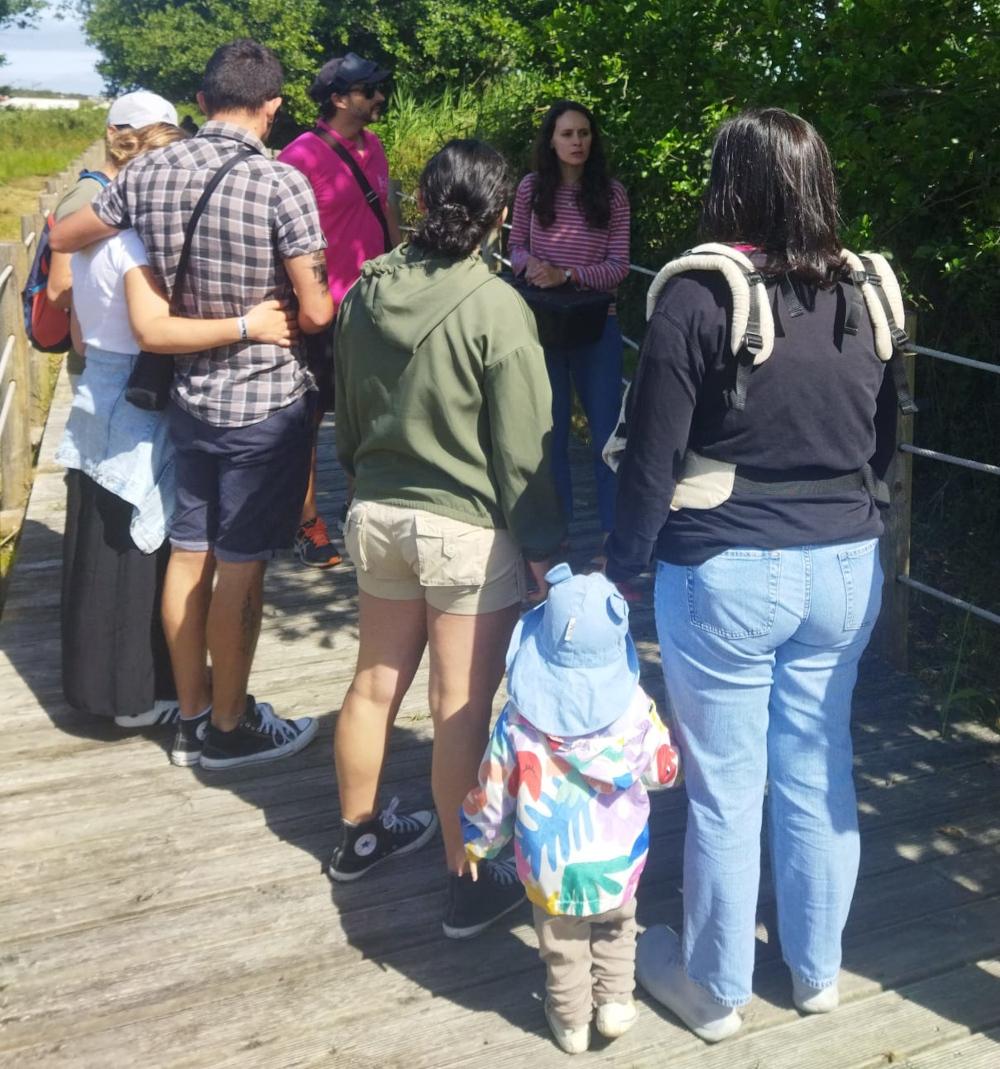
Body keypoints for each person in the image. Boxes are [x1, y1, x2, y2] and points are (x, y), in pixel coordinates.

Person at [604, 108, 897, 1042]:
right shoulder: (870, 294)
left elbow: (651, 458)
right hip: (848, 564)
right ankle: (816, 971)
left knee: (726, 786)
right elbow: (885, 442)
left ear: (730, 184)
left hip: (728, 566)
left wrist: (623, 568)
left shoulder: (699, 296)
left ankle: (715, 986)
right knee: (818, 771)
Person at [51, 39, 335, 771]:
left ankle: (194, 713)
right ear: (271, 108)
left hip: (186, 398)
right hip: (260, 401)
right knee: (241, 566)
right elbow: (316, 311)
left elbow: (67, 233)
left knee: (189, 553)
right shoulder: (282, 185)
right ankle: (231, 729)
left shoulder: (146, 171)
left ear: (203, 102)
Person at [328, 139, 566, 940]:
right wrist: (541, 545)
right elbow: (523, 444)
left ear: (422, 202)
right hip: (464, 529)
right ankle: (467, 883)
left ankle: (360, 833)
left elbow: (347, 406)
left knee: (373, 684)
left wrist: (356, 472)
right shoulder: (497, 304)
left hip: (378, 511)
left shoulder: (366, 288)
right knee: (457, 708)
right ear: (502, 213)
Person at [459, 563, 680, 1054]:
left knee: (561, 946)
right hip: (619, 863)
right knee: (619, 926)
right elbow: (663, 772)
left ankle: (571, 1019)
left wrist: (478, 841)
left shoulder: (518, 721)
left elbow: (493, 791)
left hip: (549, 868)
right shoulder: (635, 708)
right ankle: (617, 1002)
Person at [278, 51, 401, 568]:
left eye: (379, 88)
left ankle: (359, 508)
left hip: (374, 304)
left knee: (369, 410)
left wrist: (400, 269)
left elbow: (387, 209)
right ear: (337, 98)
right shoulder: (297, 158)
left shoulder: (373, 145)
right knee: (312, 415)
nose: (379, 97)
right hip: (323, 309)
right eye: (369, 89)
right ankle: (305, 521)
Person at [508, 100, 630, 571]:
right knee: (549, 433)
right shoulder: (531, 189)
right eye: (567, 134)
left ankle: (612, 539)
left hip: (597, 325)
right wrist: (531, 266)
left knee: (605, 436)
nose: (577, 142)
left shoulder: (612, 194)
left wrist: (568, 274)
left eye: (584, 133)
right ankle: (553, 539)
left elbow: (618, 268)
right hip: (544, 325)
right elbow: (515, 247)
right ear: (551, 141)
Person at [47, 91, 178, 392]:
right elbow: (57, 290)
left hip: (137, 359)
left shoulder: (141, 192)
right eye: (143, 133)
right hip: (99, 363)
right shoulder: (87, 197)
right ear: (112, 133)